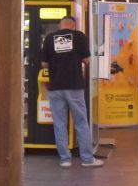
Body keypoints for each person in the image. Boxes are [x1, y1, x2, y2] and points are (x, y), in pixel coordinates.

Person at [40, 16, 100, 168]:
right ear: (73, 25)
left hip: (55, 87)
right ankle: (87, 159)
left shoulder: (49, 38)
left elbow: (44, 64)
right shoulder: (79, 36)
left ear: (61, 25)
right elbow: (87, 60)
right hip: (74, 86)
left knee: (59, 124)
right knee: (81, 122)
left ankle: (65, 159)